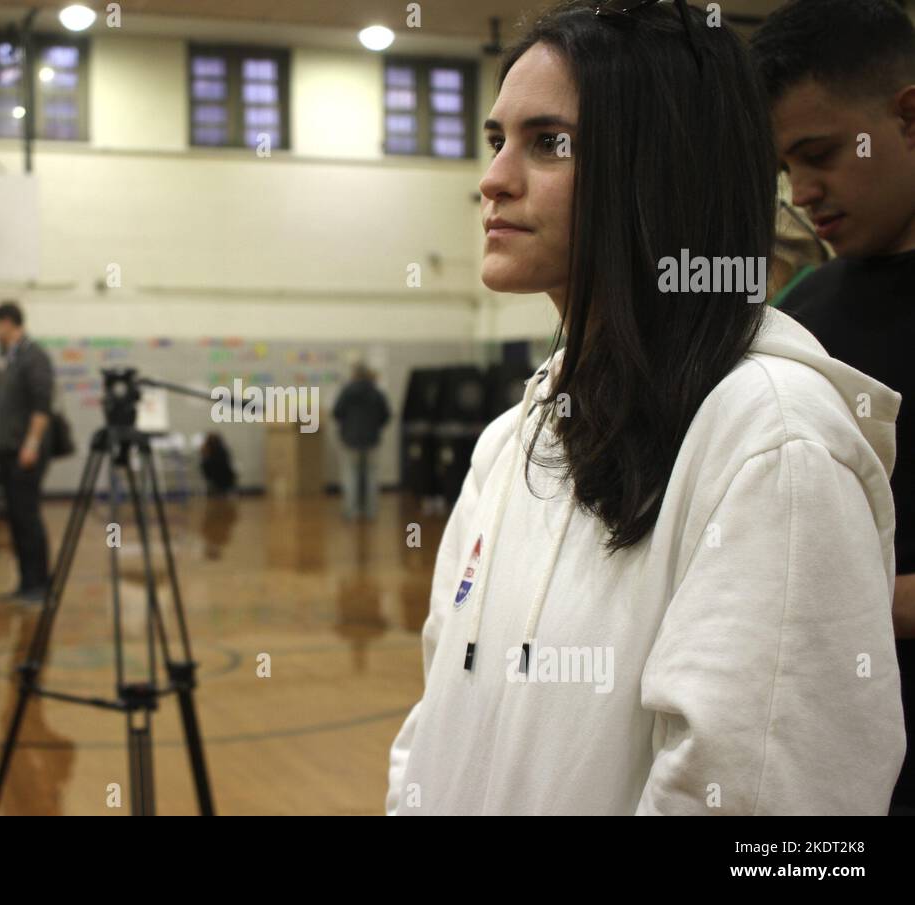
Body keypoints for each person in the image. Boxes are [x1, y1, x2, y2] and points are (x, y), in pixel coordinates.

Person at [387, 0, 904, 815]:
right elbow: (438, 715)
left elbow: (768, 805)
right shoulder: (513, 437)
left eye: (547, 143)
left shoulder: (775, 439)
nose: (492, 179)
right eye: (496, 141)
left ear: (660, 166)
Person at [751, 0, 915, 814]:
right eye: (786, 168)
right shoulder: (800, 314)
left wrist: (846, 598)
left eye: (819, 155)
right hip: (833, 770)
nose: (802, 192)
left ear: (909, 115)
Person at [0, 302, 55, 603]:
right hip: (9, 449)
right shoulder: (11, 359)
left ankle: (40, 586)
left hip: (26, 450)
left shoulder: (34, 357)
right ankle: (26, 583)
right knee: (17, 518)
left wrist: (31, 444)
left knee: (28, 516)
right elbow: (10, 401)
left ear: (9, 323)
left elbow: (41, 406)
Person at [332, 363, 390, 520]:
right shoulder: (377, 392)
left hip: (350, 439)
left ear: (354, 375)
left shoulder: (347, 391)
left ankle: (351, 511)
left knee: (350, 475)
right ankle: (370, 511)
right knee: (371, 475)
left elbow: (336, 412)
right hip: (372, 439)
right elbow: (386, 415)